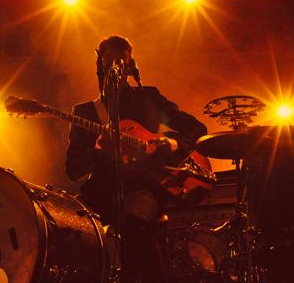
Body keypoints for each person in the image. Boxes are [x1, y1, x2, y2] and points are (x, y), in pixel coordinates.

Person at [65, 35, 207, 283]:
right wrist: (98, 150)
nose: (115, 66)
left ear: (131, 65)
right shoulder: (85, 113)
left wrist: (173, 143)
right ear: (99, 64)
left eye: (122, 60)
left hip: (146, 187)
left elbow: (196, 128)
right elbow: (73, 168)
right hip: (101, 191)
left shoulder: (149, 99)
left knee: (134, 225)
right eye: (109, 60)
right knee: (68, 229)